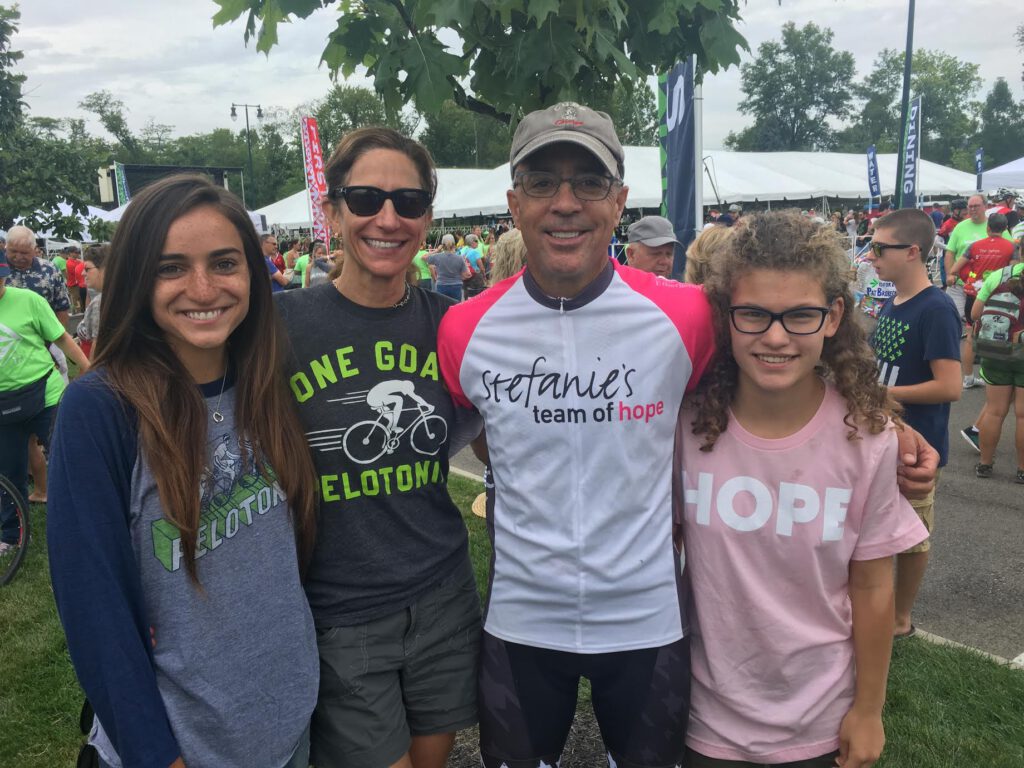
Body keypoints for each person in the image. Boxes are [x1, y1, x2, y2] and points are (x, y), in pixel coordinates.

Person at [437, 101, 939, 768]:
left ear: (619, 201)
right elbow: (479, 433)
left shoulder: (686, 314)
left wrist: (882, 420)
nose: (565, 202)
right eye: (541, 181)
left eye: (589, 182)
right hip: (521, 622)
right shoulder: (464, 329)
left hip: (646, 623)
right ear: (514, 201)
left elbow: (779, 360)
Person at [47, 174, 320, 768]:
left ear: (252, 272)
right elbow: (95, 612)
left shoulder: (266, 381)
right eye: (170, 268)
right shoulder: (101, 409)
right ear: (136, 279)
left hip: (289, 727)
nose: (203, 288)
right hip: (182, 748)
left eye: (224, 263)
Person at [677, 209, 928, 768]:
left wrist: (869, 709)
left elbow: (872, 587)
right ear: (725, 316)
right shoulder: (685, 427)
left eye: (800, 316)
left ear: (833, 316)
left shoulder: (868, 441)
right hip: (703, 716)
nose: (775, 336)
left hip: (820, 719)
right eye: (753, 314)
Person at [275, 127, 481, 768]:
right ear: (333, 212)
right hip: (342, 608)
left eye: (409, 202)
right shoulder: (281, 326)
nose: (387, 219)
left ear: (427, 218)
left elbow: (492, 431)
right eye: (365, 199)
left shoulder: (452, 326)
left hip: (442, 589)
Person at [866, 208, 961, 639]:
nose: (871, 255)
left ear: (913, 251)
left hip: (918, 445)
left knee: (913, 536)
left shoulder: (936, 308)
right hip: (882, 435)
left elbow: (950, 386)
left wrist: (884, 393)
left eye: (879, 247)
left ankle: (901, 619)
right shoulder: (894, 300)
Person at [0, 252, 90, 556]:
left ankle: (87, 523)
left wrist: (87, 367)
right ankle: (12, 534)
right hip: (3, 406)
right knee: (8, 473)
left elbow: (62, 337)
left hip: (45, 396)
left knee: (70, 460)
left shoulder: (28, 301)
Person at [944, 195, 1014, 389]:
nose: (972, 209)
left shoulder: (974, 246)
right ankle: (996, 379)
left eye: (976, 205)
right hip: (999, 296)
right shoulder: (1010, 246)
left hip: (974, 295)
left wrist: (956, 275)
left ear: (988, 228)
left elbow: (954, 269)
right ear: (1004, 229)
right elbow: (1014, 271)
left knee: (971, 336)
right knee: (999, 335)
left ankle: (968, 378)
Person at [970, 261, 1024, 482]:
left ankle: (985, 464)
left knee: (994, 411)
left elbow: (975, 313)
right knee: (1022, 415)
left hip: (996, 350)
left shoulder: (1000, 275)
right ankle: (1022, 470)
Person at [76, 244, 109, 358]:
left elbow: (97, 344)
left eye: (87, 269)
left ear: (104, 269)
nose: (83, 273)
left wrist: (92, 367)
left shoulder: (101, 302)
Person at [427, 233, 467, 302]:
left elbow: (425, 257)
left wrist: (437, 250)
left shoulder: (437, 257)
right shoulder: (460, 258)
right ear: (454, 244)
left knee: (442, 306)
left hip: (441, 285)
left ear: (442, 245)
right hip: (456, 285)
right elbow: (465, 274)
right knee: (456, 306)